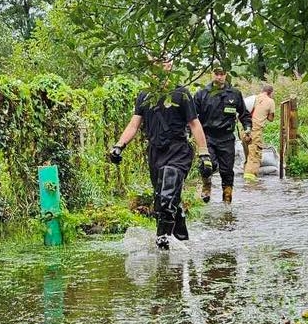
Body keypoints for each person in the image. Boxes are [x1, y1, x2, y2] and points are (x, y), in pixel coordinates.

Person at [107, 59, 213, 250]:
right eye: (157, 62)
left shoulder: (182, 94)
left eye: (166, 62)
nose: (162, 66)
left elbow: (195, 124)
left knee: (166, 198)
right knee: (165, 201)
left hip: (178, 151)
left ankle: (161, 247)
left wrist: (204, 154)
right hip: (155, 153)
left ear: (170, 67)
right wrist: (119, 146)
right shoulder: (144, 95)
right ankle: (182, 241)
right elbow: (134, 124)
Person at [194, 66, 252, 203]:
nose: (219, 76)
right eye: (216, 74)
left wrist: (248, 128)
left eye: (222, 74)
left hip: (226, 138)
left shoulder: (234, 93)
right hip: (207, 136)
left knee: (227, 171)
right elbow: (192, 117)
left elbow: (244, 114)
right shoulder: (202, 94)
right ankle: (206, 186)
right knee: (208, 165)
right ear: (211, 74)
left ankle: (227, 199)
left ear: (226, 75)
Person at [242, 83, 277, 181]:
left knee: (248, 155)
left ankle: (245, 176)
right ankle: (250, 183)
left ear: (262, 91)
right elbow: (271, 118)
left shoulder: (253, 98)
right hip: (255, 132)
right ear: (270, 93)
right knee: (254, 156)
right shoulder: (270, 101)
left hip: (244, 130)